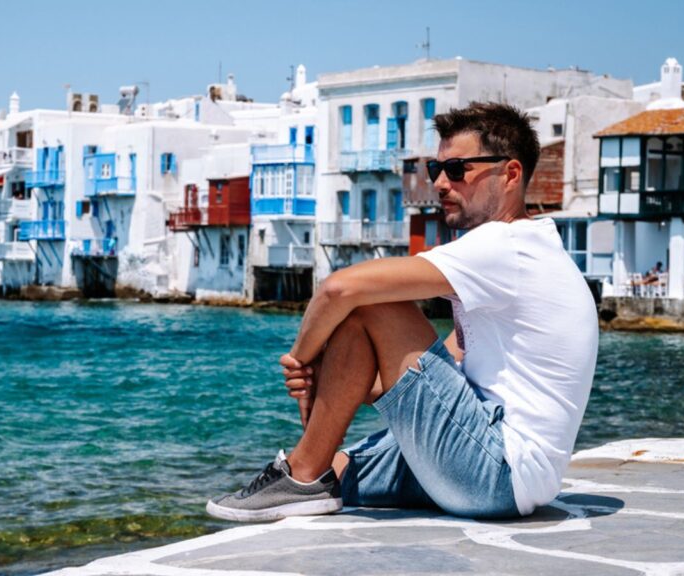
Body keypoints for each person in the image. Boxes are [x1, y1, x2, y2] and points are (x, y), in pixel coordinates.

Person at [207, 102, 598, 522]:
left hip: (495, 469)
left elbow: (338, 288)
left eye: (458, 169)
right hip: (495, 469)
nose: (441, 184)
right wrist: (333, 376)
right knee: (337, 470)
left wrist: (300, 360)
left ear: (511, 174)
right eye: (436, 170)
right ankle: (308, 476)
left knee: (375, 304)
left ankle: (301, 476)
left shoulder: (508, 246)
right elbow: (421, 377)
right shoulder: (525, 255)